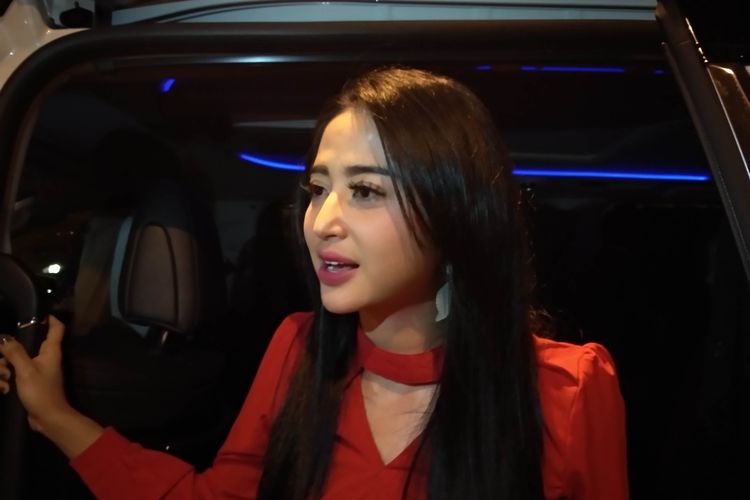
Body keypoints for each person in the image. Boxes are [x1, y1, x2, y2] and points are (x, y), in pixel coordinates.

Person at [0, 67, 628, 499]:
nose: (321, 221)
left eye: (366, 190)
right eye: (318, 189)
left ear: (453, 215)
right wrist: (55, 416)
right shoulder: (299, 349)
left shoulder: (567, 389)